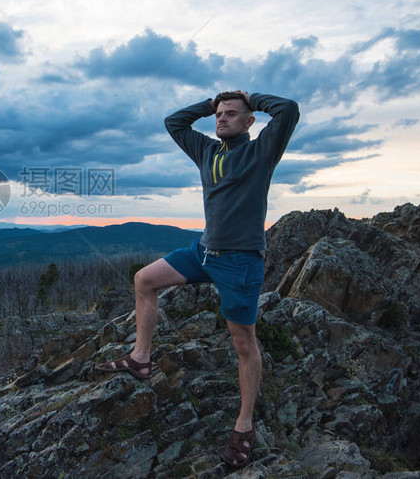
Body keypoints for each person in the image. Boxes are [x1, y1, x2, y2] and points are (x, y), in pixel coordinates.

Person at [96, 90, 300, 468]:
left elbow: (288, 109)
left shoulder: (261, 152)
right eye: (218, 115)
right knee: (144, 280)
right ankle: (141, 358)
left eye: (230, 114)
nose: (222, 119)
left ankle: (244, 425)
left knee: (243, 342)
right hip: (203, 251)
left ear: (249, 121)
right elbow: (173, 123)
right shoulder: (207, 150)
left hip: (240, 260)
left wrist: (250, 97)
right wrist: (208, 105)